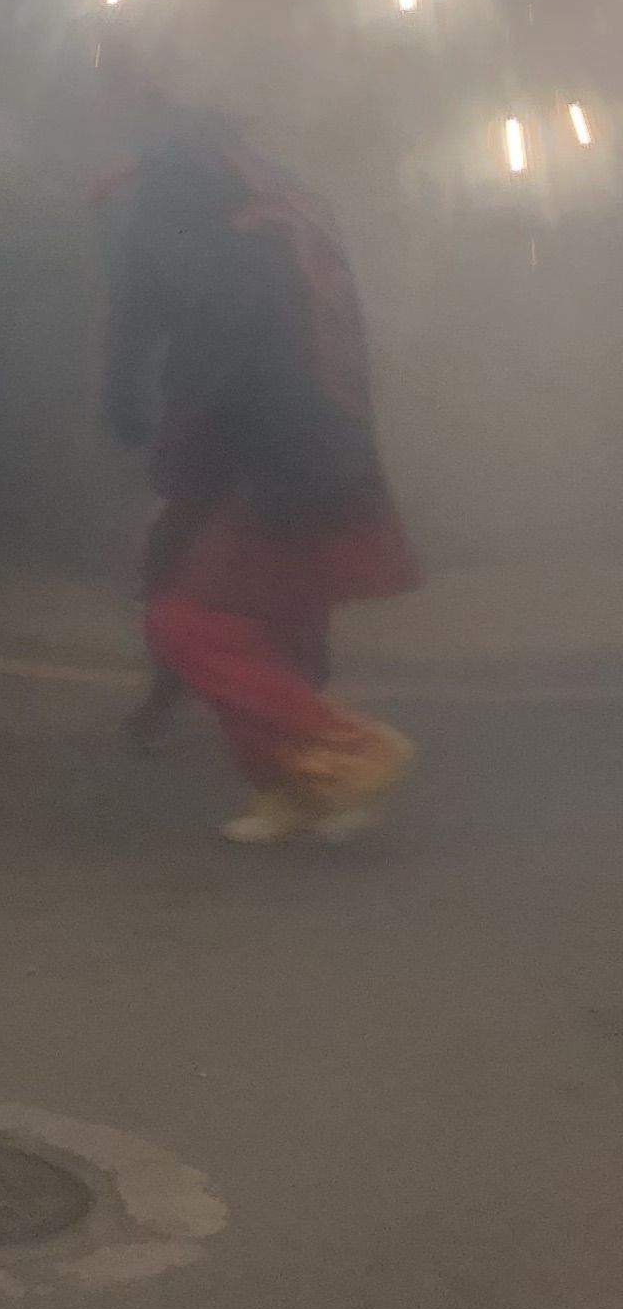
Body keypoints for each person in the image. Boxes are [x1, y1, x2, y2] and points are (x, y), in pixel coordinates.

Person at [108, 120, 418, 840]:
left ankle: (350, 752)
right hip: (319, 461)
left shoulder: (232, 251)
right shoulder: (289, 221)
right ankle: (295, 788)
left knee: (183, 621)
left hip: (262, 471)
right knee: (278, 630)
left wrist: (172, 464)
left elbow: (215, 376)